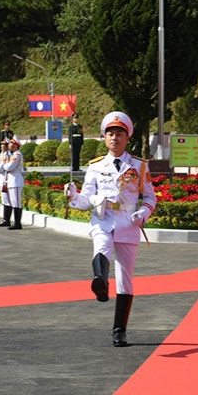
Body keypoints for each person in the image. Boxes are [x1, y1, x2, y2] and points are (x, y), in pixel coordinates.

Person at [66, 112, 157, 347]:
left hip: (128, 221)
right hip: (102, 217)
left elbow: (149, 197)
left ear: (128, 138)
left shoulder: (139, 165)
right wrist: (74, 196)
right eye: (110, 134)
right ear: (104, 138)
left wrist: (143, 213)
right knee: (102, 247)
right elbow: (86, 198)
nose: (114, 138)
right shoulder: (95, 167)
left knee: (125, 278)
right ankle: (100, 282)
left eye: (119, 134)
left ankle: (119, 330)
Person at [3, 136, 25, 230]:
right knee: (13, 202)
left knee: (16, 202)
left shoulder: (17, 155)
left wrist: (5, 165)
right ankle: (15, 222)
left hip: (16, 180)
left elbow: (9, 167)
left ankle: (17, 223)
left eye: (11, 143)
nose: (9, 145)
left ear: (15, 145)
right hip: (12, 180)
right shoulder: (13, 155)